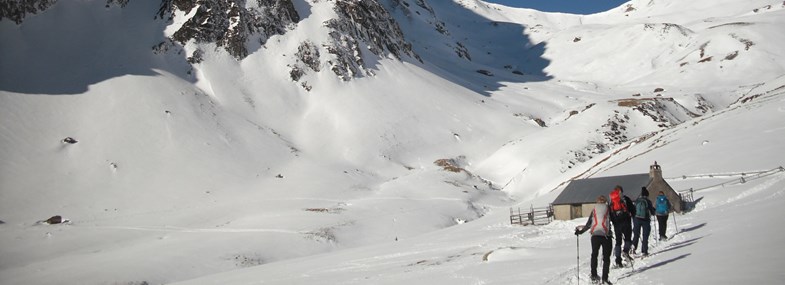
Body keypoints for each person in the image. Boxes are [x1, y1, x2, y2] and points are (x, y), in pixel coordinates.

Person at [575, 195, 614, 285]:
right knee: (606, 258)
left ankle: (594, 275)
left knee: (594, 255)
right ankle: (605, 278)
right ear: (605, 201)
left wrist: (580, 232)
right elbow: (614, 220)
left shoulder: (594, 210)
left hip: (595, 236)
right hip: (606, 236)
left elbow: (589, 224)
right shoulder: (608, 209)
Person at [608, 185, 635, 267]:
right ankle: (626, 251)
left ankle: (618, 260)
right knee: (628, 239)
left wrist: (612, 221)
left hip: (616, 223)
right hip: (626, 221)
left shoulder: (611, 201)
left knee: (618, 242)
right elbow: (633, 209)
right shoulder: (625, 199)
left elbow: (609, 213)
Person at [631, 187, 656, 256]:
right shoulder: (648, 201)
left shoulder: (637, 201)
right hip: (645, 220)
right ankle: (644, 251)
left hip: (636, 219)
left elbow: (633, 210)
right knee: (645, 235)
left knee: (636, 234)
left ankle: (633, 248)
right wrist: (654, 211)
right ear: (647, 195)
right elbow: (652, 212)